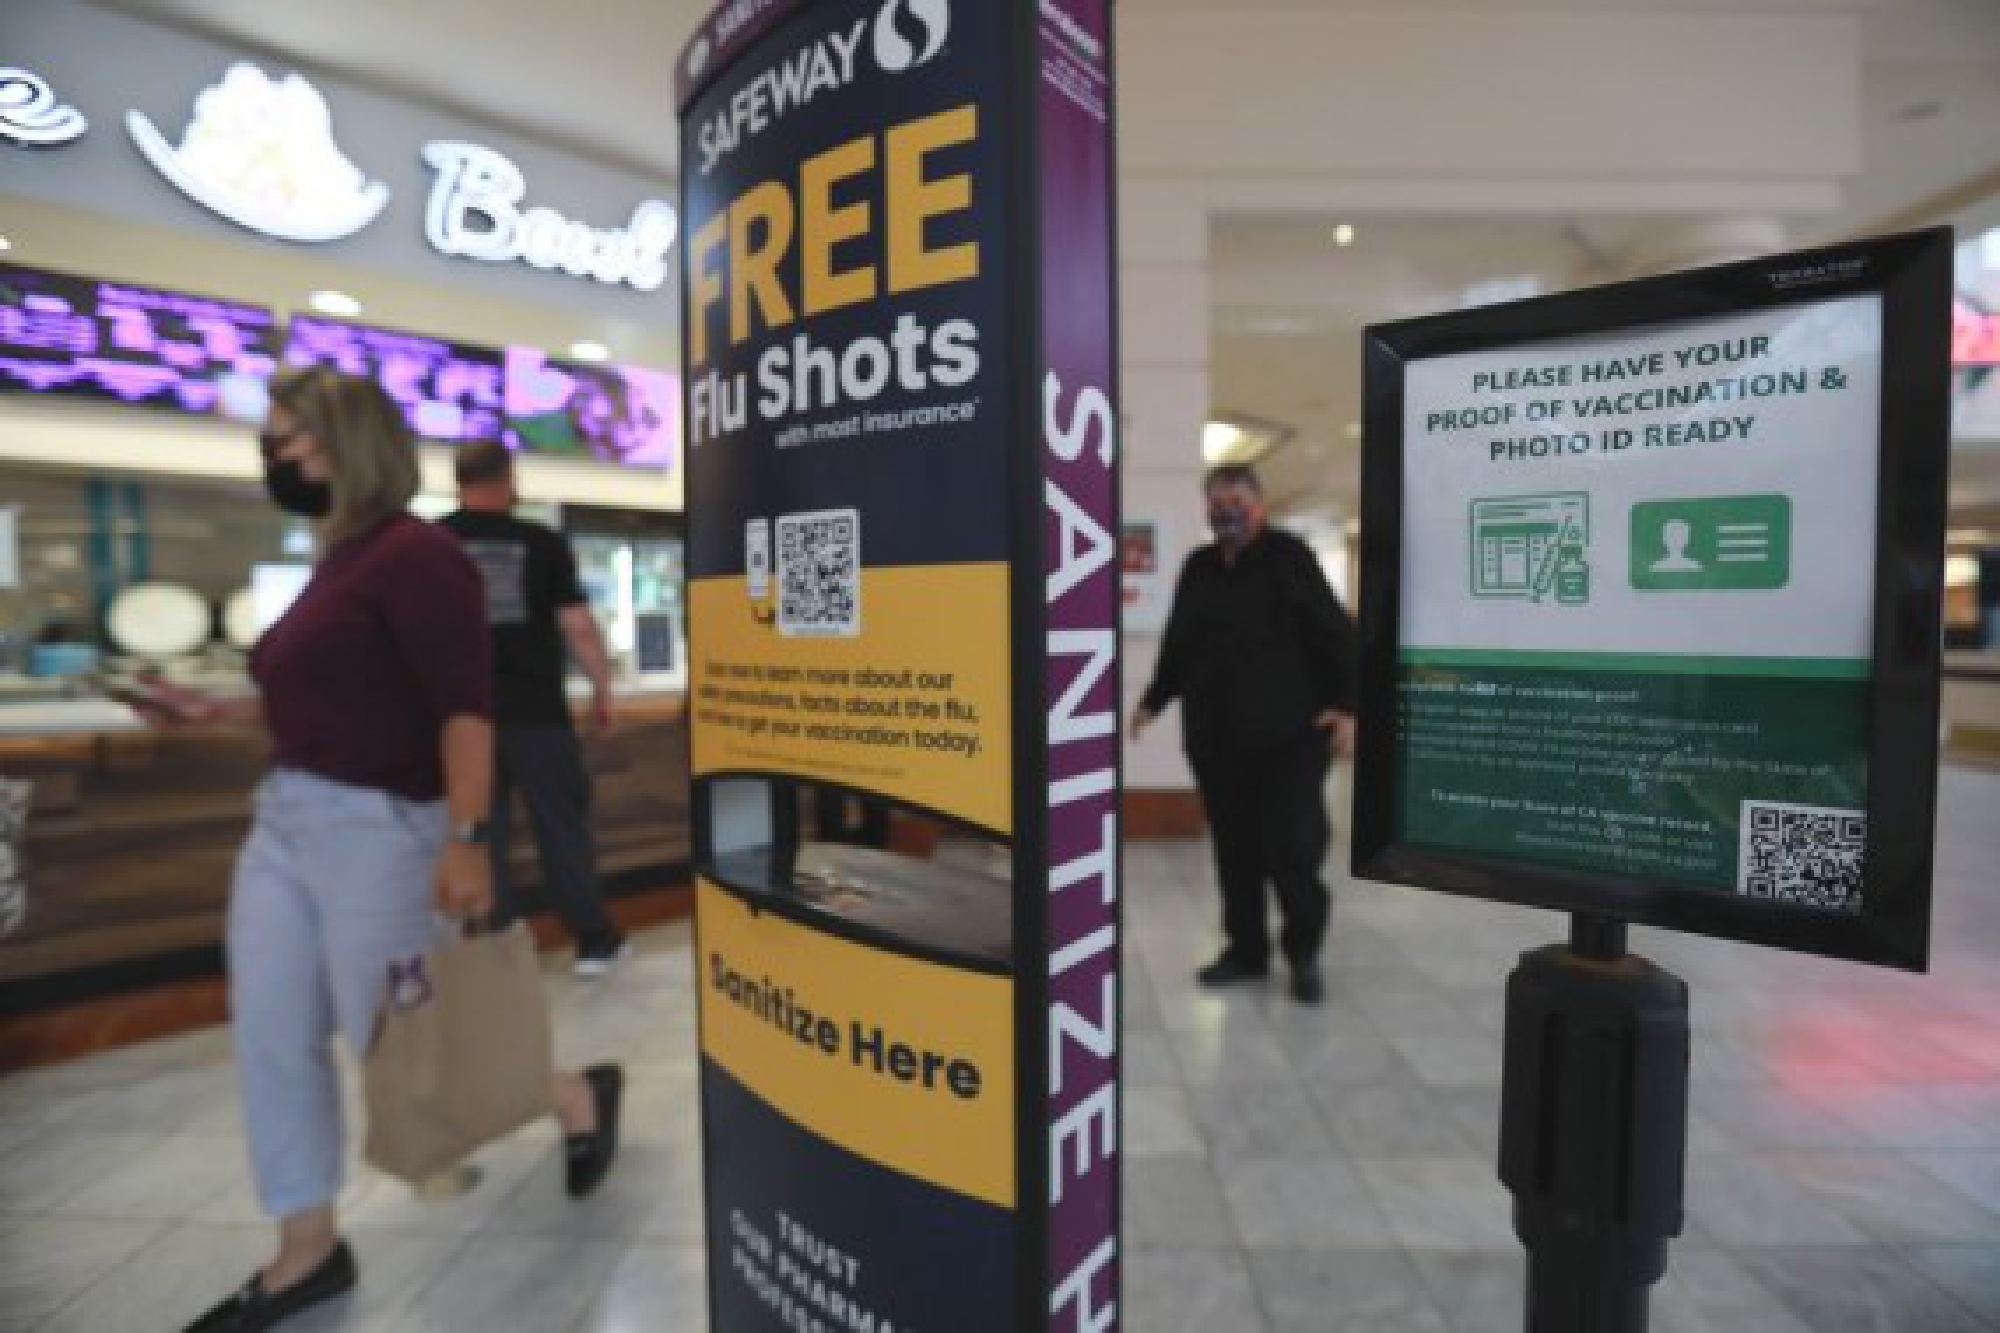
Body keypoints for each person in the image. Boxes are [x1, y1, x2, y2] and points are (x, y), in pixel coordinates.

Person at [134, 367, 622, 1333]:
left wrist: (469, 839)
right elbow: (314, 704)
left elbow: (464, 708)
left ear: (347, 445)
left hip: (383, 831)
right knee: (272, 1032)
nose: (275, 458)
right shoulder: (335, 563)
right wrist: (207, 706)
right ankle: (306, 1245)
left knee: (407, 1043)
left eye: (290, 442)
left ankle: (572, 1093)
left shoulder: (416, 555)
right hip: (285, 823)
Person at [1130, 463, 1357, 1005]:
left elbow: (1337, 635)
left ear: (1260, 505)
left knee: (1291, 850)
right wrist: (1154, 700)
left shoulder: (1289, 558)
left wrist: (1348, 706)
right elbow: (1178, 642)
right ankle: (1247, 952)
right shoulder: (1199, 567)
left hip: (1289, 742)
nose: (1226, 510)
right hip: (1216, 742)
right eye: (1216, 501)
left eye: (1237, 500)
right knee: (1234, 853)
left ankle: (1303, 955)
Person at [440, 441, 627, 976]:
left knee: (481, 833)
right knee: (562, 829)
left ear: (458, 479)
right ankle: (592, 941)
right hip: (538, 714)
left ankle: (494, 949)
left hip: (462, 721)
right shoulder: (542, 543)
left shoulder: (435, 542)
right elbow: (579, 627)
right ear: (508, 477)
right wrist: (603, 689)